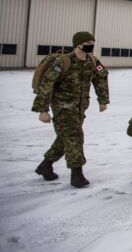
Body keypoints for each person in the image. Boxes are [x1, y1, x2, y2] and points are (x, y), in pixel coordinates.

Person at [32, 31, 110, 188]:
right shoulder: (63, 62)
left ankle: (45, 165)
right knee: (75, 137)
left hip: (80, 108)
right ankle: (77, 175)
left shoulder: (93, 61)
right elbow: (47, 84)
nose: (90, 46)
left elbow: (101, 78)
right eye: (87, 43)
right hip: (62, 107)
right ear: (77, 45)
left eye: (92, 43)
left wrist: (103, 100)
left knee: (65, 139)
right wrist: (42, 110)